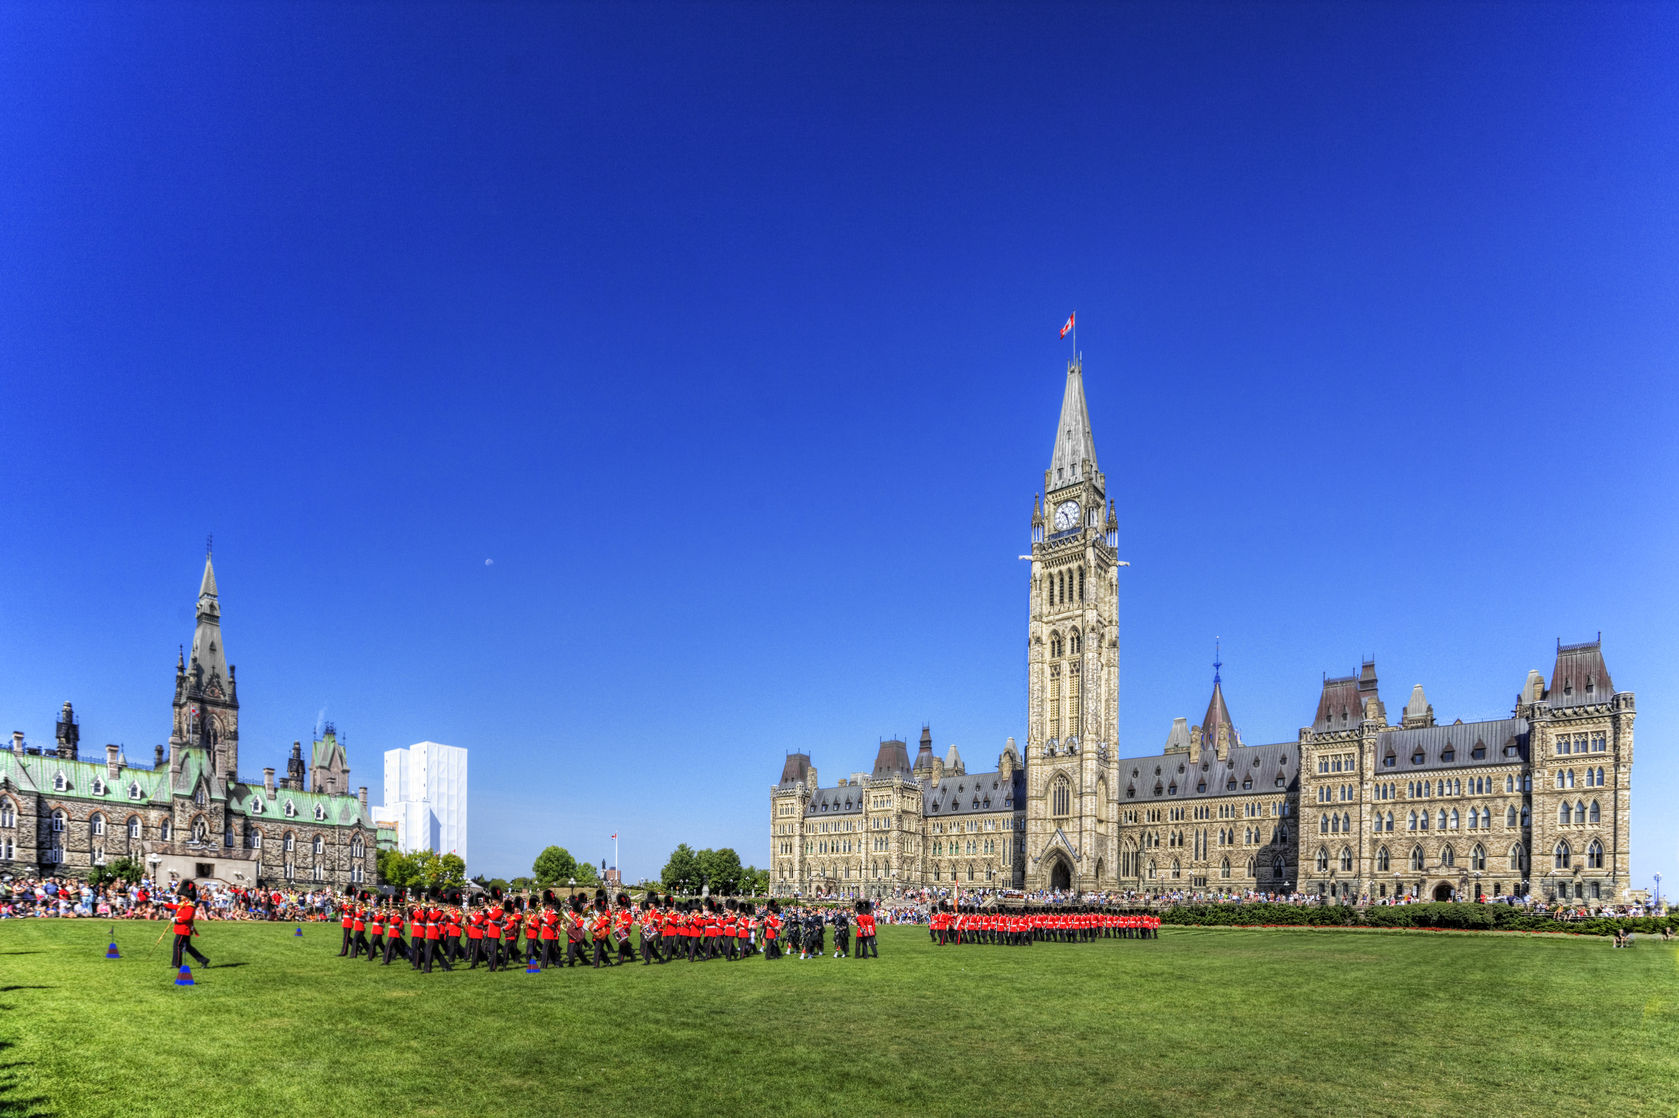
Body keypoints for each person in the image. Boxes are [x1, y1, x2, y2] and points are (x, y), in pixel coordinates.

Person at [161, 881, 210, 970]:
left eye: (183, 895)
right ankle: (203, 960)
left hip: (184, 929)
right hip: (181, 928)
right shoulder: (184, 904)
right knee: (187, 947)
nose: (181, 896)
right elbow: (175, 906)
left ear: (187, 896)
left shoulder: (190, 906)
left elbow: (187, 918)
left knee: (177, 945)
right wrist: (162, 903)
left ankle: (176, 964)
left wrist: (177, 919)